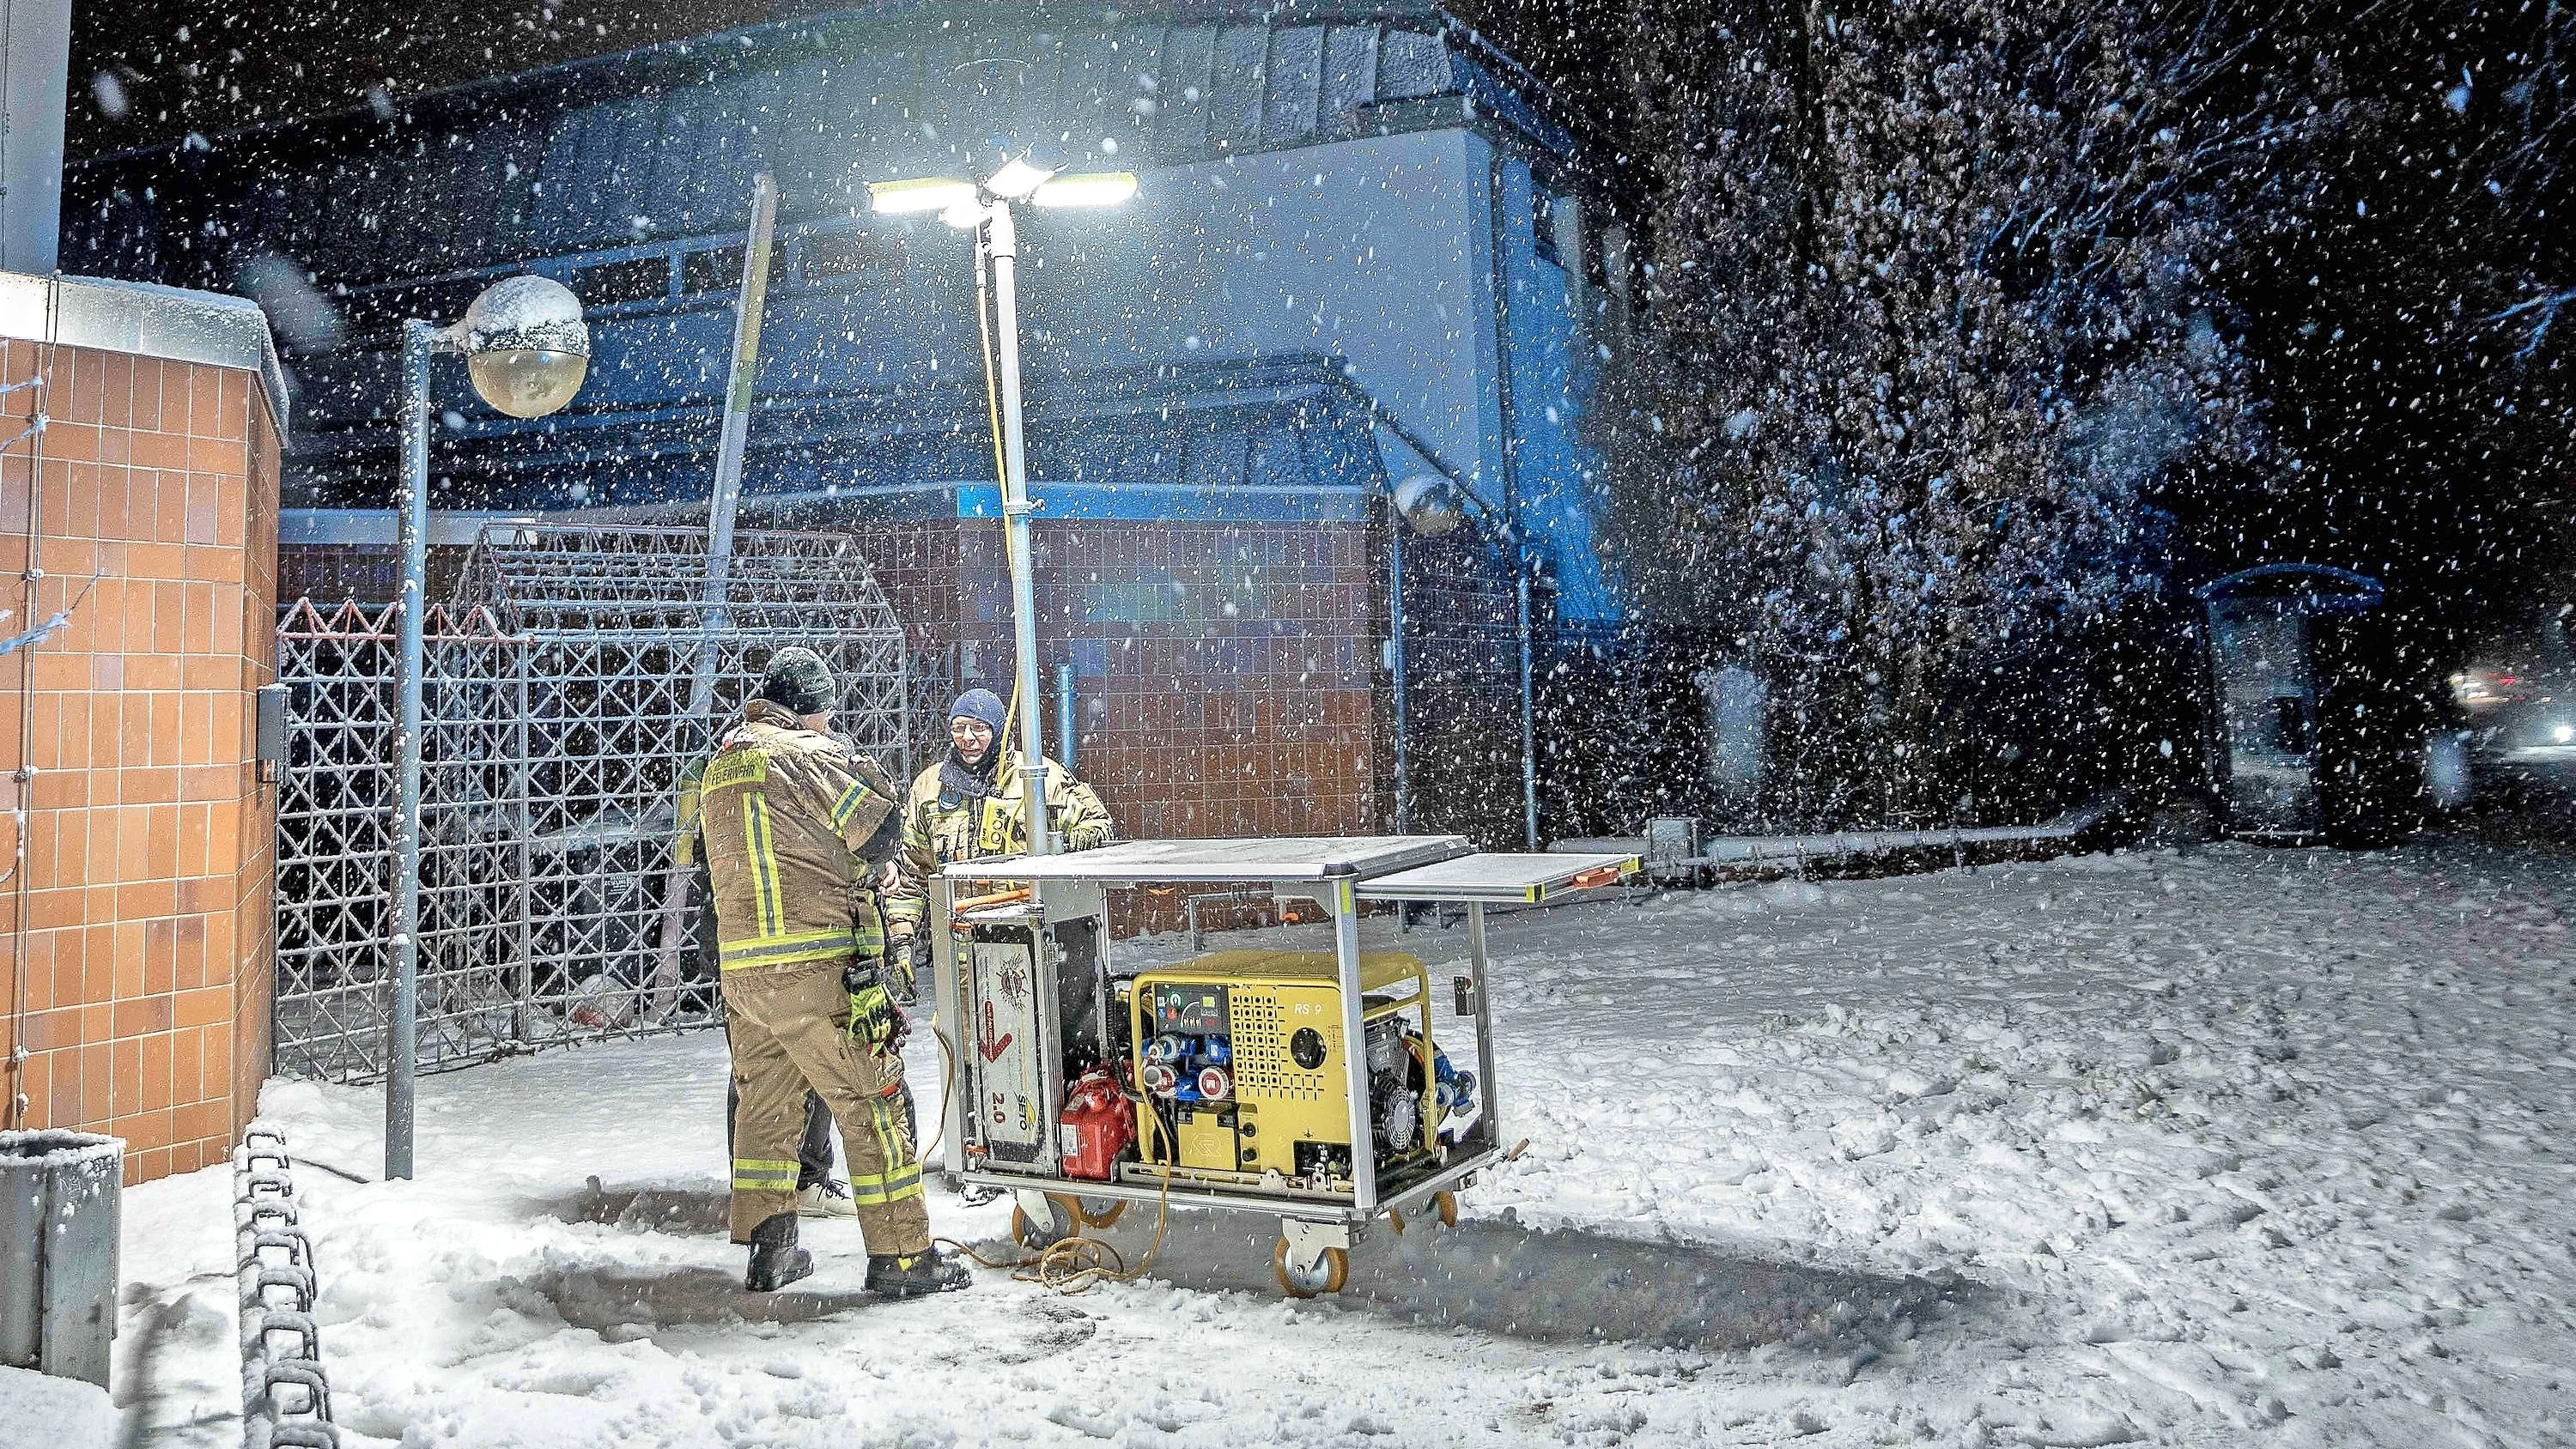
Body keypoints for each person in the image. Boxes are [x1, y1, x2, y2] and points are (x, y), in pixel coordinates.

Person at [693, 647, 970, 1295]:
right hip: (813, 965)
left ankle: (771, 1251)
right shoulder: (809, 756)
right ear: (809, 709)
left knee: (767, 1108)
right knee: (874, 1099)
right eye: (825, 714)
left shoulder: (721, 765)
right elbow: (876, 831)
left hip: (745, 973)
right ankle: (903, 1257)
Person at [675, 759, 852, 1222]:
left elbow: (692, 858)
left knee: (757, 1078)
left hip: (740, 948)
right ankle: (803, 1181)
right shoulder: (798, 763)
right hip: (790, 949)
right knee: (810, 1070)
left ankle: (760, 1199)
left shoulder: (711, 770)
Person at [881, 688, 1115, 997]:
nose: (968, 737)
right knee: (962, 1040)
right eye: (959, 727)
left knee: (1031, 1037)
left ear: (1000, 731)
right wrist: (902, 944)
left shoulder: (1039, 779)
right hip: (960, 958)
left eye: (980, 728)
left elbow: (1101, 828)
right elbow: (909, 875)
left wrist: (1065, 844)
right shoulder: (929, 790)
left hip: (1029, 948)